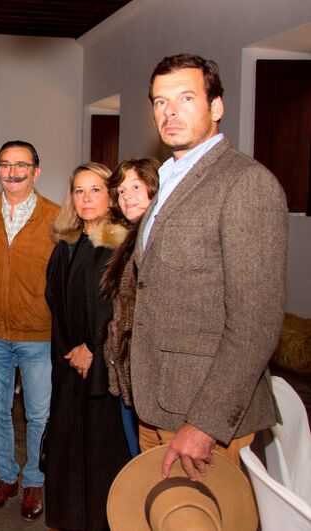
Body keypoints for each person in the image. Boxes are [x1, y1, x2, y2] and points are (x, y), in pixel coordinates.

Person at [131, 53, 288, 479]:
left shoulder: (245, 183)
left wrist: (205, 423)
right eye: (160, 102)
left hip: (201, 414)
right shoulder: (169, 178)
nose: (171, 112)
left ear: (216, 107)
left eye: (186, 98)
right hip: (156, 401)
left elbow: (255, 324)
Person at [0, 140, 60, 520]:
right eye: (5, 164)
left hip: (38, 334)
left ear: (36, 171)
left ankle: (35, 480)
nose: (13, 171)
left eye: (21, 164)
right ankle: (7, 476)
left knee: (39, 415)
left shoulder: (58, 218)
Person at [43, 162, 131, 531]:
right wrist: (70, 350)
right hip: (69, 362)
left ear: (110, 195)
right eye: (79, 190)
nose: (86, 197)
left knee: (100, 450)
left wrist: (92, 349)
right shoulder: (68, 244)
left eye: (95, 189)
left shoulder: (120, 243)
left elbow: (119, 307)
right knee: (67, 444)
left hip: (104, 365)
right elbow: (55, 302)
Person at [99, 157, 160, 457]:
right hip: (128, 375)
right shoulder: (132, 239)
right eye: (121, 191)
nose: (127, 197)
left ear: (155, 187)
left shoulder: (160, 237)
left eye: (136, 186)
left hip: (151, 379)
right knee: (139, 460)